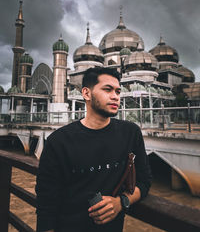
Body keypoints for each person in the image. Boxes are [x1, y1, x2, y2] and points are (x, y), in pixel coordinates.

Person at [36, 67, 152, 232]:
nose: (115, 96)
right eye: (107, 89)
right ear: (86, 93)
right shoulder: (59, 142)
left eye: (118, 91)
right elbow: (46, 206)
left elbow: (144, 180)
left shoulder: (130, 133)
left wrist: (121, 202)